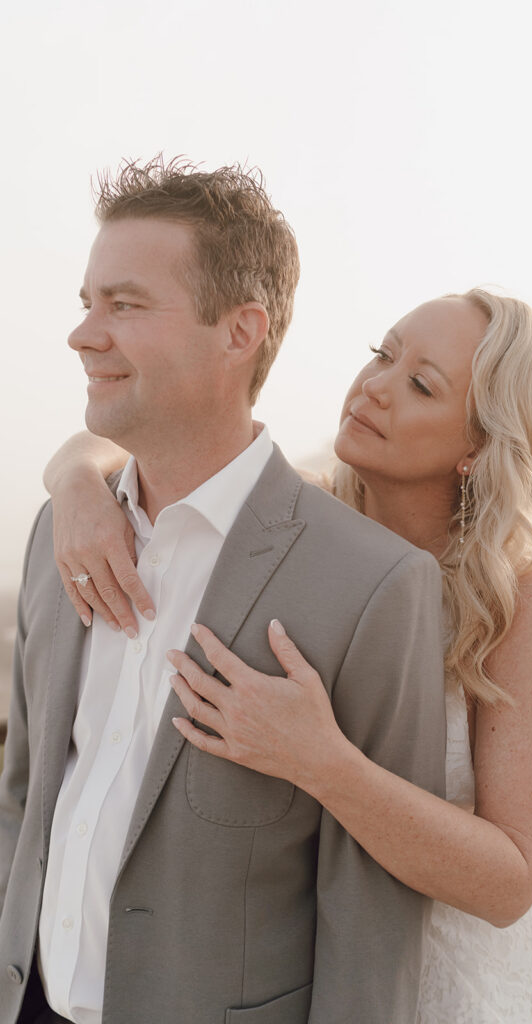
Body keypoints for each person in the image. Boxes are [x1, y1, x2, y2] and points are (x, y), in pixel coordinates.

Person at [45, 287, 532, 1023]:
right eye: (382, 354)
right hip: (313, 972)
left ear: (477, 446)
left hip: (467, 988)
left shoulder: (525, 602)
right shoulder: (294, 520)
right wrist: (76, 486)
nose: (374, 386)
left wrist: (320, 761)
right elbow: (127, 447)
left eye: (419, 384)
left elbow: (510, 883)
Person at [0, 157, 448, 1024]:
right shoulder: (60, 529)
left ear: (240, 331)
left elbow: (371, 920)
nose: (83, 335)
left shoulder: (373, 582)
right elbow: (23, 795)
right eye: (87, 302)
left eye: (125, 305)